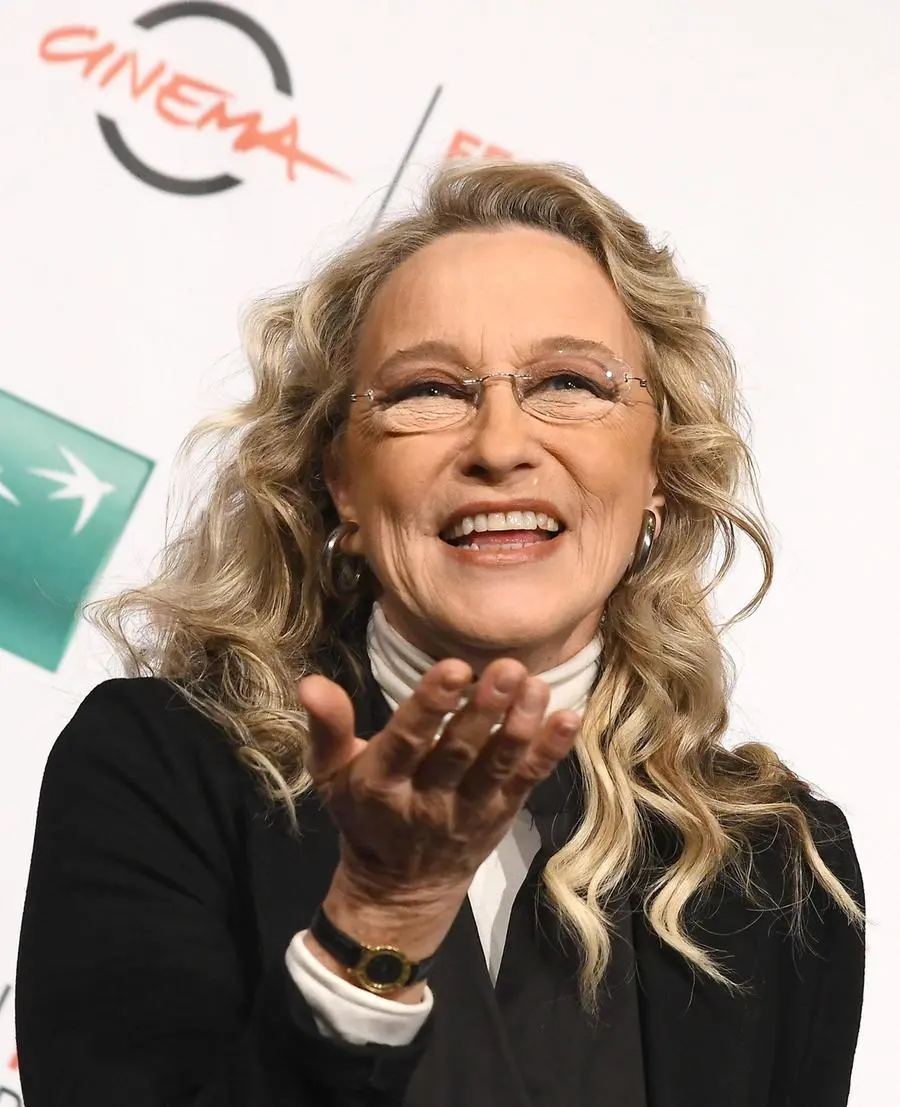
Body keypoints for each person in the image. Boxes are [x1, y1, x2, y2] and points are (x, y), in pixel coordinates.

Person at [15, 160, 864, 1107]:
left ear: (658, 465)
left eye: (570, 381)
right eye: (429, 391)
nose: (500, 445)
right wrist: (374, 920)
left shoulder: (780, 862)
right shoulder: (164, 768)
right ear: (341, 478)